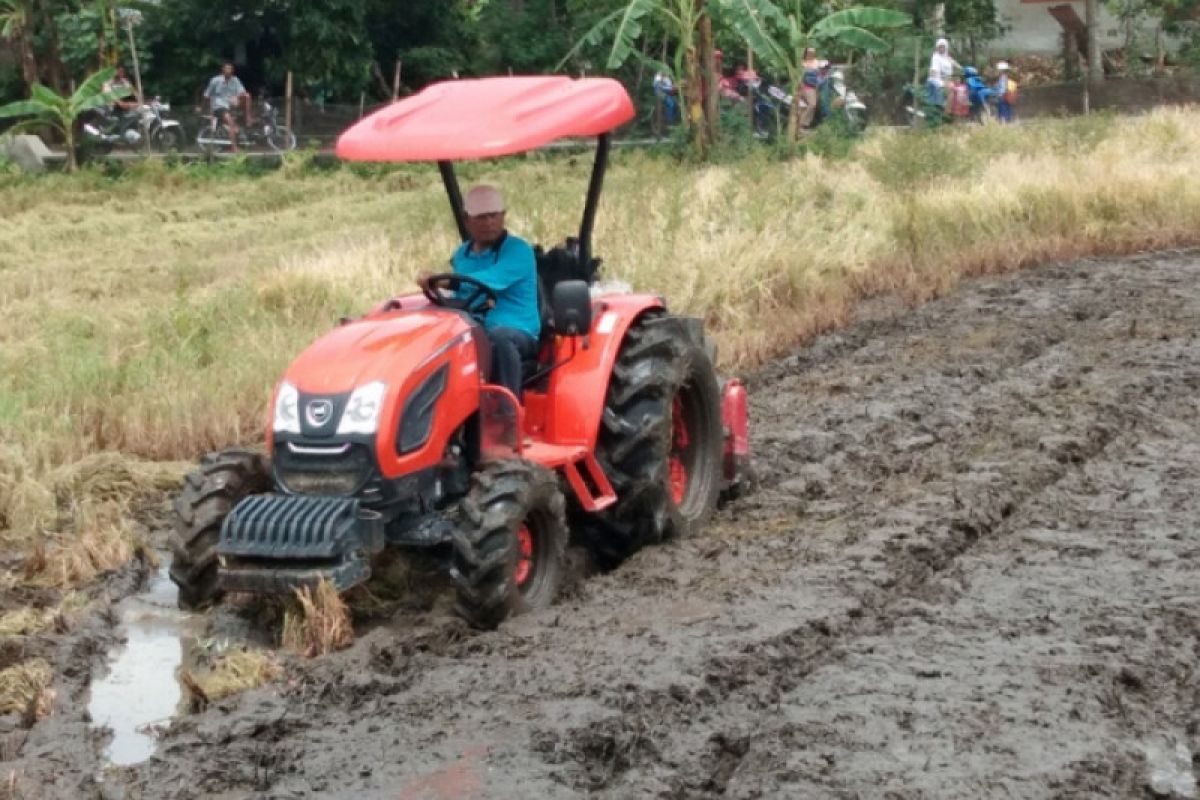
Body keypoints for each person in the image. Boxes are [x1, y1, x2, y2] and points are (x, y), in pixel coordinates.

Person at [428, 185, 541, 403]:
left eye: (493, 216)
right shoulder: (462, 254)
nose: (489, 223)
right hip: (475, 324)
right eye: (481, 217)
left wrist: (441, 279)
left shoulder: (518, 251)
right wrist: (433, 284)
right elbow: (462, 286)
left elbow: (490, 279)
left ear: (503, 216)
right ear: (467, 220)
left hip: (519, 330)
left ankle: (507, 410)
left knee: (500, 338)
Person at [200, 61, 250, 152]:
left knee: (247, 96)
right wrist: (201, 107)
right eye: (227, 68)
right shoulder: (215, 80)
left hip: (231, 105)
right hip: (219, 106)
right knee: (230, 122)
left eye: (230, 68)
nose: (228, 70)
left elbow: (242, 92)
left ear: (232, 70)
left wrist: (237, 97)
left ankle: (247, 118)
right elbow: (206, 95)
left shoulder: (235, 80)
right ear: (223, 70)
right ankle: (234, 147)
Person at [798, 47, 821, 129]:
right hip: (806, 86)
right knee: (812, 104)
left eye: (812, 53)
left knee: (812, 106)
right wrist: (801, 87)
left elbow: (818, 75)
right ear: (806, 53)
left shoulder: (816, 62)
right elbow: (800, 76)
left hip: (814, 86)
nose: (811, 54)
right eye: (809, 53)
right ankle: (800, 123)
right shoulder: (803, 63)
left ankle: (805, 125)